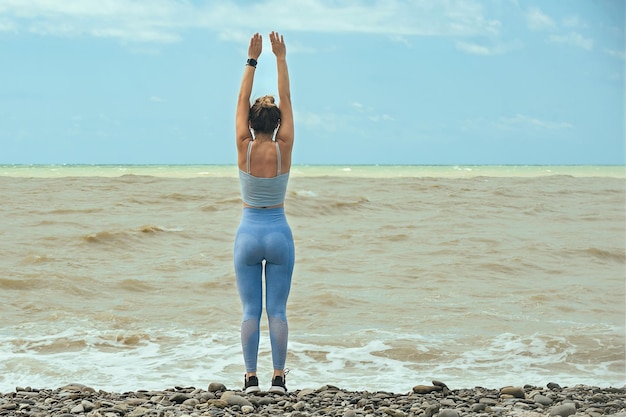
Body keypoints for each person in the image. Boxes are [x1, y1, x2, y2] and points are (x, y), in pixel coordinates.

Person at [234, 31, 295, 395]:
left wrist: (252, 59)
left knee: (249, 311)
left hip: (248, 234)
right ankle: (278, 378)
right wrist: (281, 58)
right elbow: (286, 97)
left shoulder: (243, 147)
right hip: (278, 233)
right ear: (277, 123)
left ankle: (250, 378)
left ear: (252, 123)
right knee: (277, 311)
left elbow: (242, 98)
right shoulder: (284, 146)